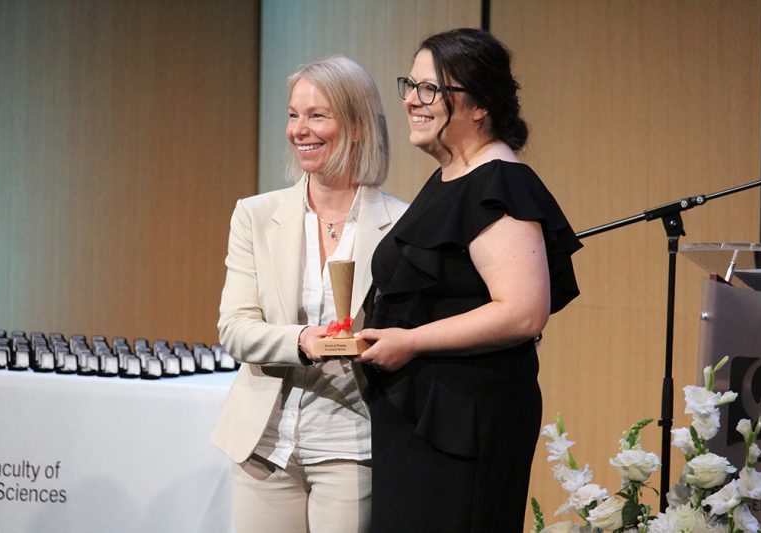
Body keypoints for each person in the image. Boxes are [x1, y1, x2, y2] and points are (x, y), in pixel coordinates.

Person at [356, 28, 583, 532]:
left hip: (463, 421)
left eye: (430, 89)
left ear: (479, 105)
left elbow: (522, 312)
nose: (411, 101)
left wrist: (410, 341)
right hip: (426, 415)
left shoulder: (498, 180)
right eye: (410, 86)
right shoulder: (451, 176)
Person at [211, 56, 407, 533]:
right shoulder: (256, 215)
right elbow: (234, 329)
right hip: (264, 447)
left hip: (351, 446)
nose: (299, 130)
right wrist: (302, 340)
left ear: (357, 126)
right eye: (293, 115)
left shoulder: (402, 224)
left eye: (317, 115)